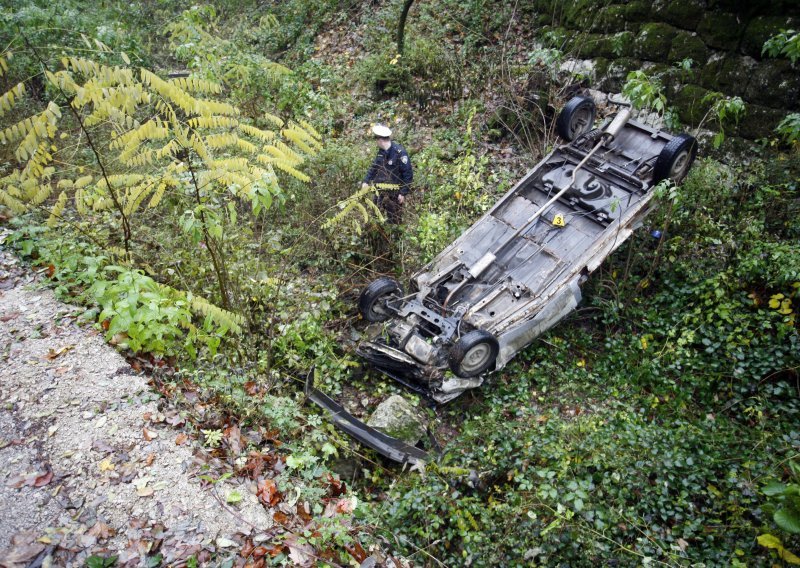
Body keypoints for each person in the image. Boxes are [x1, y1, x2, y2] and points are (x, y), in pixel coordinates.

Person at [361, 124, 413, 224]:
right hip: (379, 191)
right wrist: (366, 181)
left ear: (380, 140)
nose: (376, 142)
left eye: (376, 139)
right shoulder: (381, 152)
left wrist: (403, 193)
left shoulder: (400, 153)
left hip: (394, 194)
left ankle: (395, 237)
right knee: (375, 219)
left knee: (394, 220)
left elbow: (408, 174)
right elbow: (374, 167)